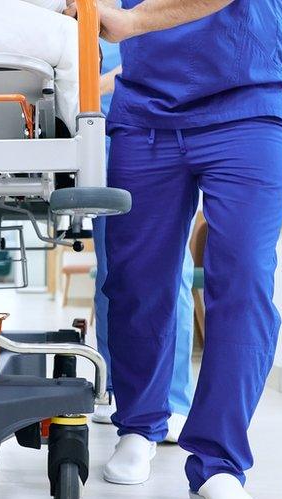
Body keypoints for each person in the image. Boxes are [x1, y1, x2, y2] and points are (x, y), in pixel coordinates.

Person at [67, 0, 282, 499]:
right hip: (145, 112)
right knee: (134, 280)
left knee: (243, 280)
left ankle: (219, 466)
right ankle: (138, 425)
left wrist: (130, 23)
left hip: (248, 103)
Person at [90, 37, 195, 444]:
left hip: (158, 127)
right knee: (115, 267)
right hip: (101, 129)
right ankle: (118, 388)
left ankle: (174, 398)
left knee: (172, 269)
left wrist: (106, 82)